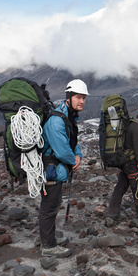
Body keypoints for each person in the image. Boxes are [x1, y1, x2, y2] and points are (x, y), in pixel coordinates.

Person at [39, 79, 89, 258]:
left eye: (84, 98)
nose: (82, 101)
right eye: (78, 97)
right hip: (50, 170)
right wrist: (73, 160)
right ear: (69, 97)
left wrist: (78, 156)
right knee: (49, 207)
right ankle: (48, 246)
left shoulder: (68, 117)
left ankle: (49, 238)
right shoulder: (56, 121)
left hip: (56, 169)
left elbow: (72, 141)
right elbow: (61, 150)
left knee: (51, 206)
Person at [106, 100, 138, 221]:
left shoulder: (131, 123)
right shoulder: (137, 127)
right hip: (132, 163)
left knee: (121, 187)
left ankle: (112, 213)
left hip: (124, 161)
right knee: (137, 188)